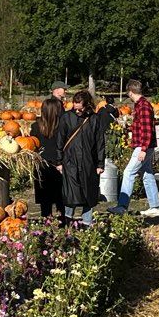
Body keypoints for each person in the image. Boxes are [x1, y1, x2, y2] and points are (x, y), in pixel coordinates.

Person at [118, 80, 159, 219]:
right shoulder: (140, 105)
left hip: (143, 146)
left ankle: (122, 206)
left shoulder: (143, 106)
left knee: (128, 172)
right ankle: (155, 207)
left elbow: (147, 130)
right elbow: (142, 127)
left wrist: (143, 149)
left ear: (130, 92)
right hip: (144, 145)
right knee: (147, 174)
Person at [60, 91, 102, 223]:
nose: (77, 111)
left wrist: (100, 164)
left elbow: (100, 143)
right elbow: (60, 140)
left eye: (80, 108)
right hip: (70, 161)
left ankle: (87, 223)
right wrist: (58, 162)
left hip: (88, 161)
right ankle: (67, 221)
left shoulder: (94, 119)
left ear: (87, 105)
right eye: (75, 108)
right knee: (70, 193)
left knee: (88, 192)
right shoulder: (66, 117)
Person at [33, 96, 65, 217]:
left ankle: (46, 221)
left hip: (41, 164)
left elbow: (32, 144)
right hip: (58, 164)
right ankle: (62, 221)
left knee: (44, 198)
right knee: (60, 196)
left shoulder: (36, 127)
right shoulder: (62, 127)